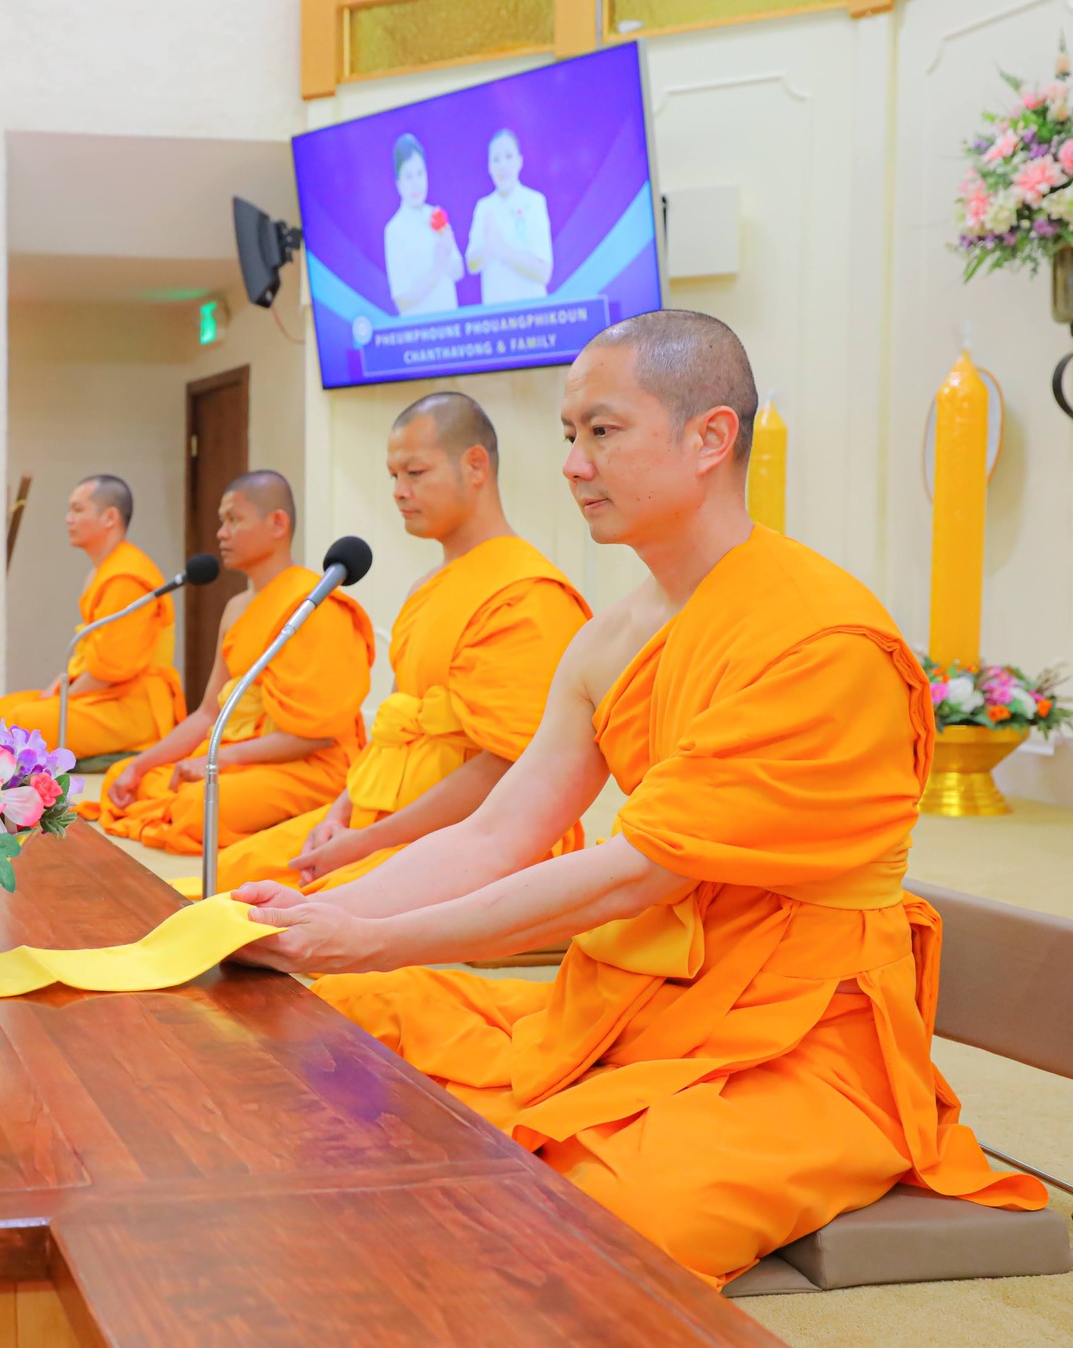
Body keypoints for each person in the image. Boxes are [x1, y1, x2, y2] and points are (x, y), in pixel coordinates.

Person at [228, 312, 1047, 1286]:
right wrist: (325, 915)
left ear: (708, 437)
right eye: (567, 434)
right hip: (633, 995)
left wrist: (368, 934)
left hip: (793, 1034)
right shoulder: (610, 638)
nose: (573, 464)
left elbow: (632, 873)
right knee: (356, 1013)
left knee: (599, 1214)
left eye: (601, 432)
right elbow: (498, 829)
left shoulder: (813, 637)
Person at [200, 393, 588, 899]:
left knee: (290, 913)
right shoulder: (427, 587)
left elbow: (508, 769)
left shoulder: (527, 594)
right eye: (393, 477)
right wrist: (342, 813)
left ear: (475, 466)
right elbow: (392, 733)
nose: (399, 492)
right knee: (233, 872)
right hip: (382, 810)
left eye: (415, 473)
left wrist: (367, 843)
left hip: (471, 836)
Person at [86, 471, 373, 855]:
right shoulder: (237, 608)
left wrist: (218, 759)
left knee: (196, 807)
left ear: (277, 523)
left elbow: (317, 733)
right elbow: (208, 713)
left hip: (311, 764)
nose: (221, 533)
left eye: (234, 520)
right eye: (222, 521)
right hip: (244, 753)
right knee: (125, 777)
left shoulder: (314, 605)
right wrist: (140, 765)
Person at [0, 475, 185, 759]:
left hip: (132, 709)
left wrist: (63, 701)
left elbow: (109, 667)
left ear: (110, 517)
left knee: (17, 722)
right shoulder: (104, 570)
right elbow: (90, 654)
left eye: (78, 510)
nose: (69, 519)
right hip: (104, 697)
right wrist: (56, 692)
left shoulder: (126, 577)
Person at [465, 129, 552, 305]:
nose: (502, 165)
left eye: (508, 157)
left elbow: (543, 273)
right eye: (496, 159)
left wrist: (501, 249)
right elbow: (472, 265)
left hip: (533, 312)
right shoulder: (484, 207)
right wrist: (488, 248)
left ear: (520, 161)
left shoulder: (534, 201)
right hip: (496, 314)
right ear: (489, 167)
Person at [382, 133, 464, 316]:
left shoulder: (436, 215)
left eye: (420, 173)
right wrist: (438, 269)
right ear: (398, 184)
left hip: (453, 325)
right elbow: (402, 301)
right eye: (409, 176)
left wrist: (449, 246)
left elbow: (458, 271)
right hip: (420, 334)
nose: (416, 183)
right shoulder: (394, 230)